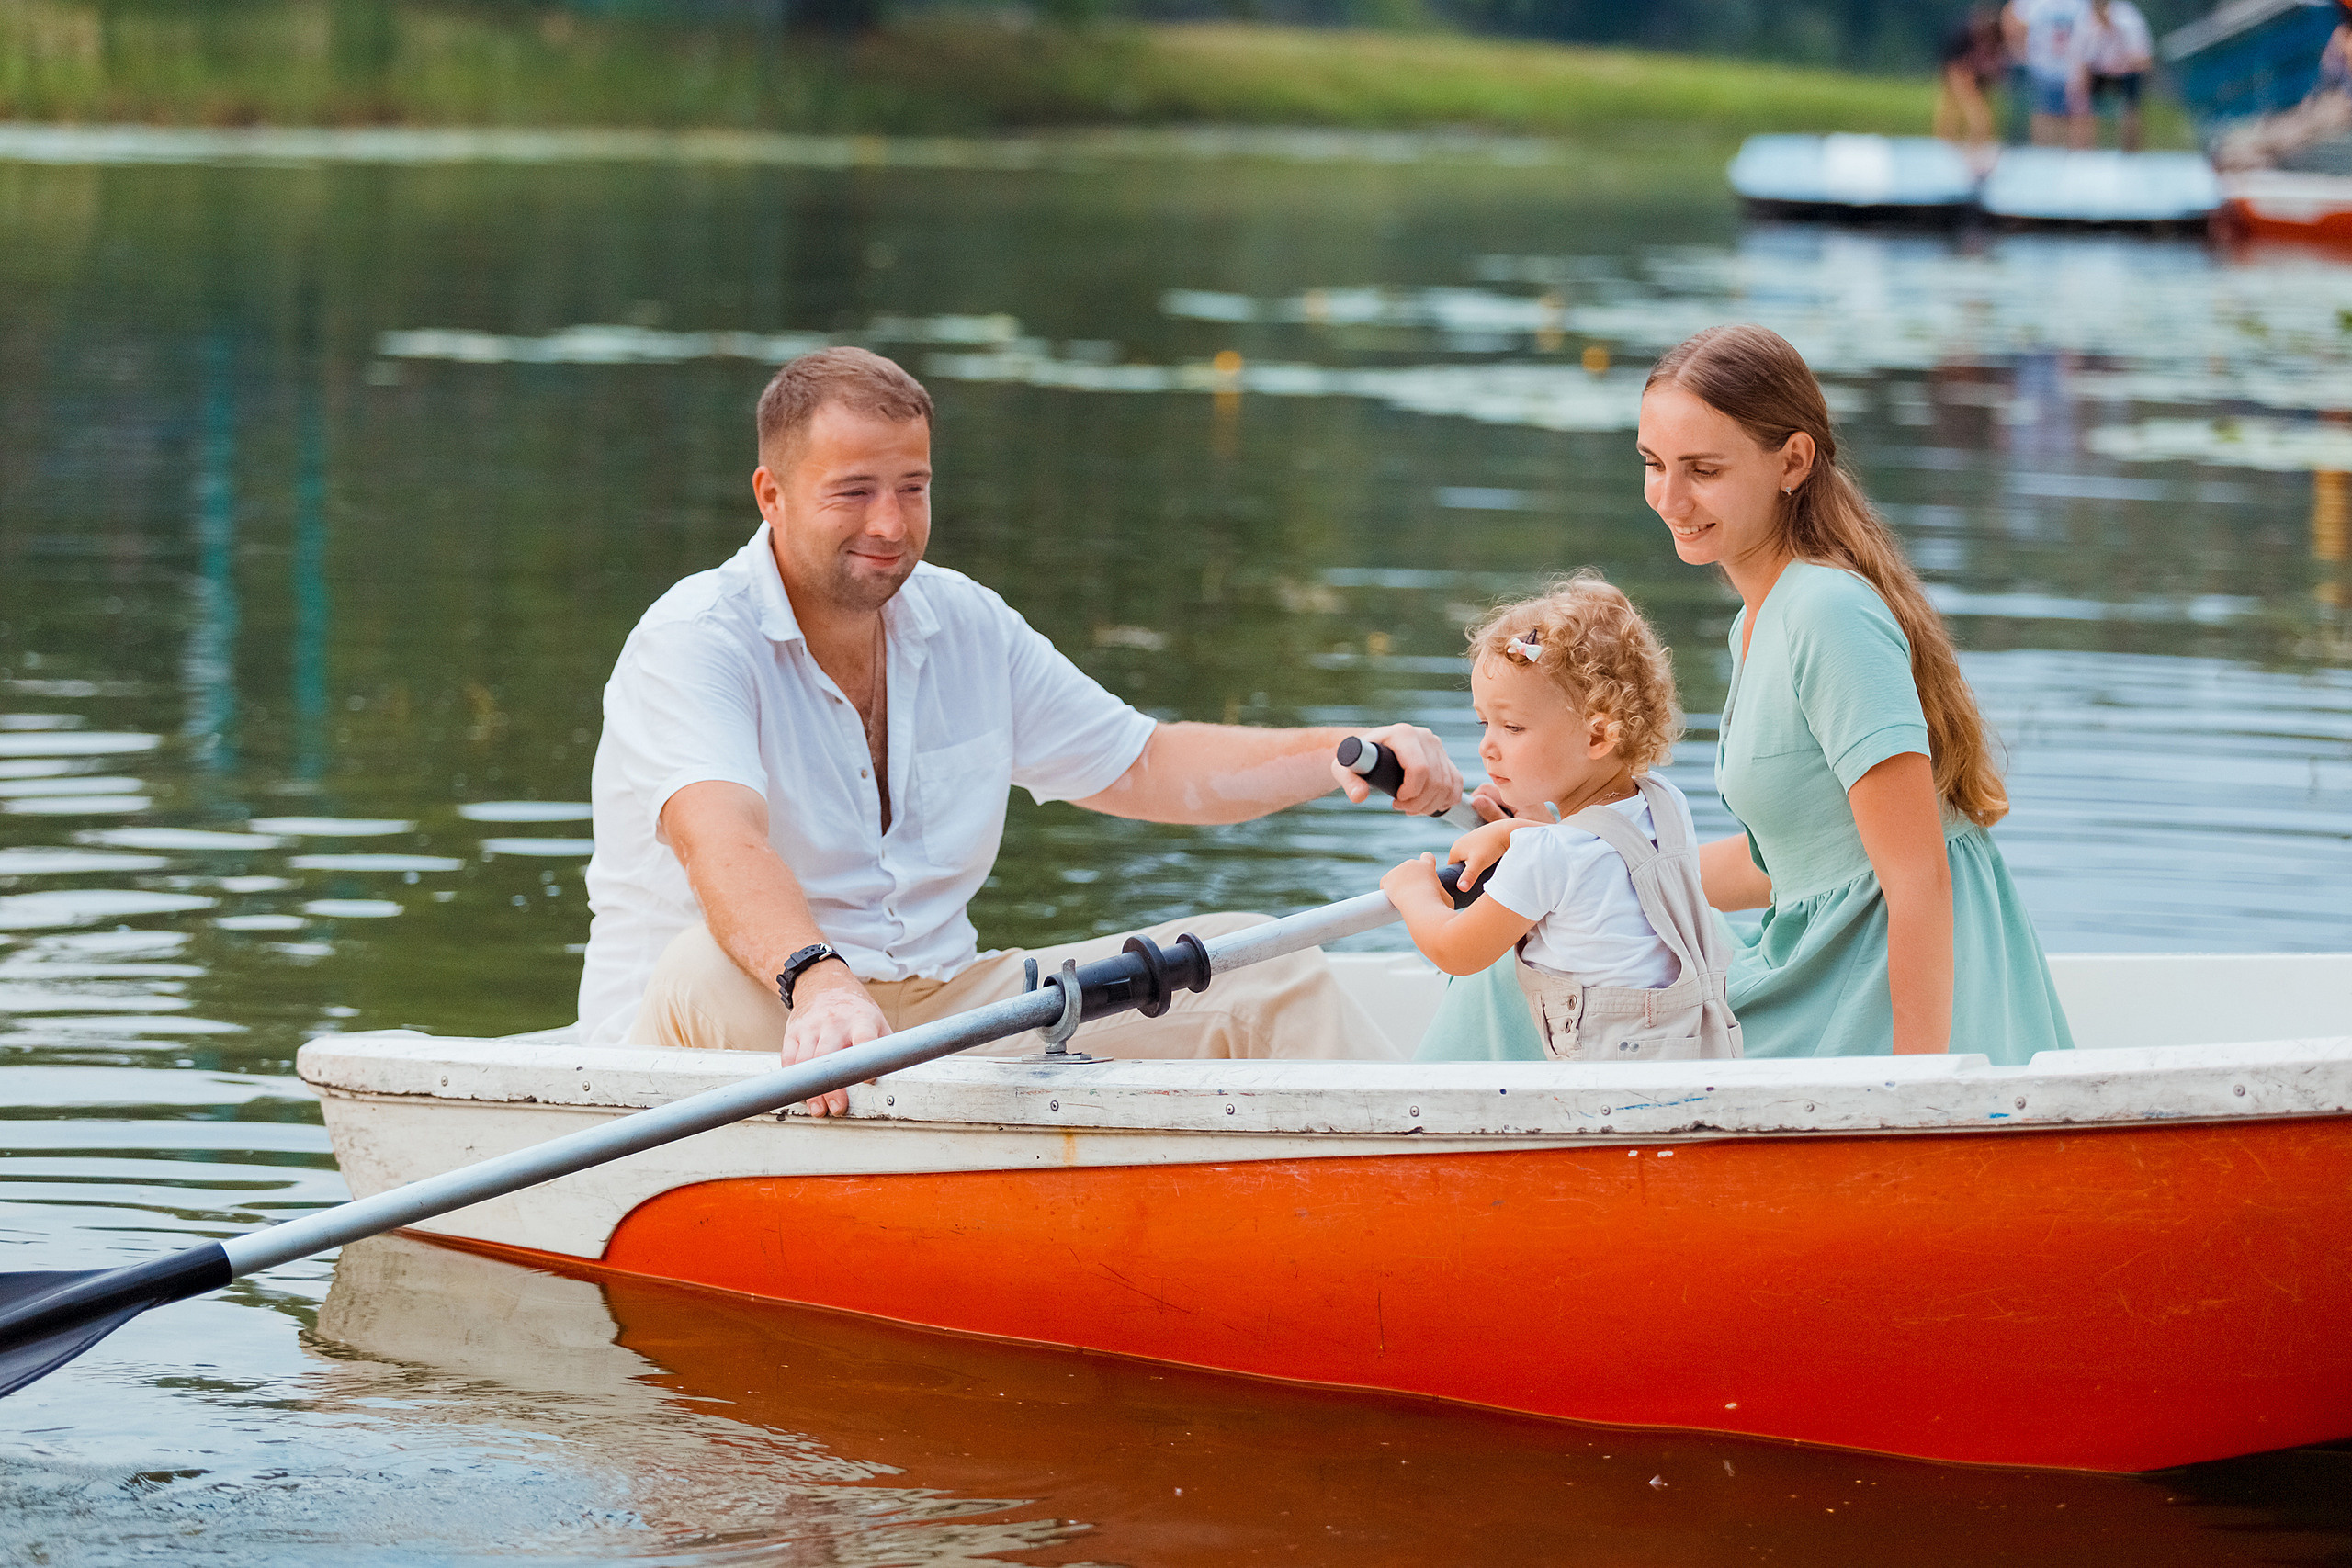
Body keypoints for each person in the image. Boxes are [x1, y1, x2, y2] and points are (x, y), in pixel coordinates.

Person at [579, 346, 1464, 1109]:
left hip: (943, 1006)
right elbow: (722, 842)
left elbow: (1148, 763)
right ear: (770, 494)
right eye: (853, 491)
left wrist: (1344, 751)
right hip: (727, 1020)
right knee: (700, 961)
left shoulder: (969, 623)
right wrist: (820, 982)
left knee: (1269, 970)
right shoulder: (694, 638)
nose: (890, 524)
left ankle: (1421, 1225)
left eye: (912, 487)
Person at [1418, 324, 2074, 1066]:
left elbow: (1916, 877)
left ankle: (1413, 1169)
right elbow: (1781, 865)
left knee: (1509, 973)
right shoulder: (1758, 620)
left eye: (1703, 468)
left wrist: (1912, 1089)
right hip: (1820, 949)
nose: (1669, 496)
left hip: (1879, 985)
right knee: (1539, 931)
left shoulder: (1828, 614)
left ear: (1792, 461)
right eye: (1654, 463)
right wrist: (1559, 851)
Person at [1379, 577, 1739, 1063]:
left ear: (1596, 737)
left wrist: (1412, 891)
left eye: (1513, 726)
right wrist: (1515, 829)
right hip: (1687, 1057)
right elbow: (1605, 856)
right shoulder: (1664, 803)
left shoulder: (1548, 856)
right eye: (1484, 723)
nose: (1487, 746)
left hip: (1603, 1094)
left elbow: (1456, 950)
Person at [2068, 0, 2154, 151]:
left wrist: (2117, 39)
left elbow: (2144, 60)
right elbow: (2079, 57)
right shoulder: (2084, 19)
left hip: (2125, 71)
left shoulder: (2128, 18)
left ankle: (2130, 152)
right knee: (2081, 101)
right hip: (2097, 70)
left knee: (2130, 108)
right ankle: (2083, 152)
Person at [2004, 0, 2089, 147]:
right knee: (2043, 114)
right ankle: (2045, 156)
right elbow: (2011, 17)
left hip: (2073, 69)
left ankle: (2078, 160)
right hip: (2043, 67)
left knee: (2078, 115)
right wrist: (2018, 49)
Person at [1936, 6, 2009, 152]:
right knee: (1968, 114)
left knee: (1976, 115)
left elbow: (1996, 67)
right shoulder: (1964, 35)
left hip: (1977, 75)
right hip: (1960, 71)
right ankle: (1953, 147)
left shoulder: (1994, 36)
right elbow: (1956, 64)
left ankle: (1971, 147)